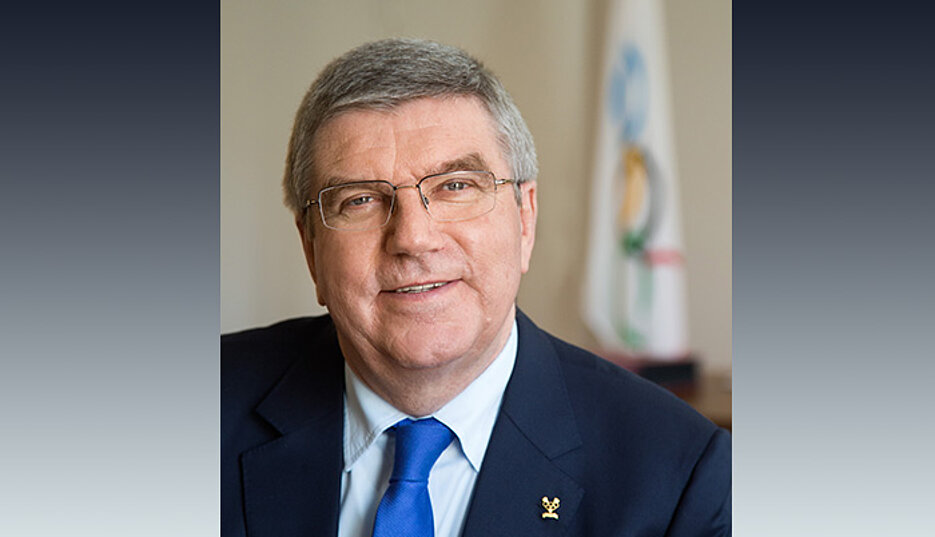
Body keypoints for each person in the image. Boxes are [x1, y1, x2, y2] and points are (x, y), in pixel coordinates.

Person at [222, 38, 730, 537]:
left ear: (525, 219)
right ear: (311, 248)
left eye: (455, 187)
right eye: (359, 200)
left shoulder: (678, 477)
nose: (413, 240)